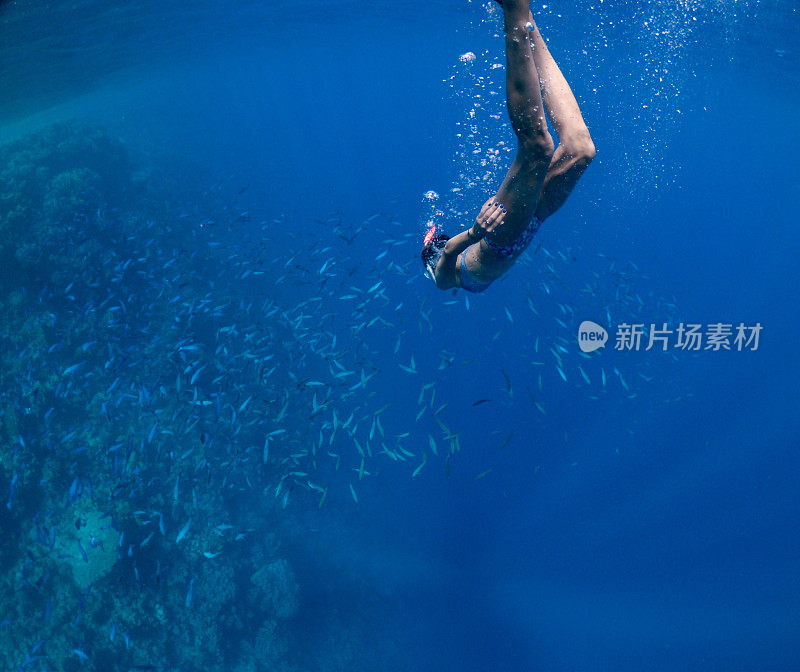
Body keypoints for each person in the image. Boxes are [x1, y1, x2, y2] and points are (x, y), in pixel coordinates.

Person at [422, 0, 595, 293]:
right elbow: (446, 251)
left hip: (503, 235)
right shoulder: (449, 276)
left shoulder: (444, 275)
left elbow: (449, 250)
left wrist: (474, 232)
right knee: (580, 151)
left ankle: (515, 13)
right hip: (530, 222)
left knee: (536, 149)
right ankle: (526, 20)